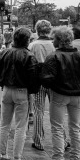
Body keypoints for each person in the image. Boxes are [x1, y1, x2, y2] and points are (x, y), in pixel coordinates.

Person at [40, 26, 80, 160]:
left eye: (54, 38)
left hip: (59, 94)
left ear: (59, 40)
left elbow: (46, 79)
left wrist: (53, 85)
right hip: (78, 96)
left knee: (57, 128)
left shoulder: (54, 56)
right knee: (75, 129)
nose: (52, 41)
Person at [0, 27, 39, 160]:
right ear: (27, 40)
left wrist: (3, 83)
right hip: (22, 91)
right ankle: (17, 158)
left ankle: (3, 155)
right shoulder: (29, 56)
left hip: (6, 90)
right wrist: (31, 90)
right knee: (20, 127)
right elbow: (33, 77)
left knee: (4, 124)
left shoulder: (5, 53)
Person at [29, 20, 56, 151]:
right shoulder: (54, 45)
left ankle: (38, 140)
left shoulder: (33, 45)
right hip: (52, 81)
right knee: (56, 111)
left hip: (38, 80)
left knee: (38, 110)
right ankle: (65, 140)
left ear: (37, 30)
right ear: (49, 30)